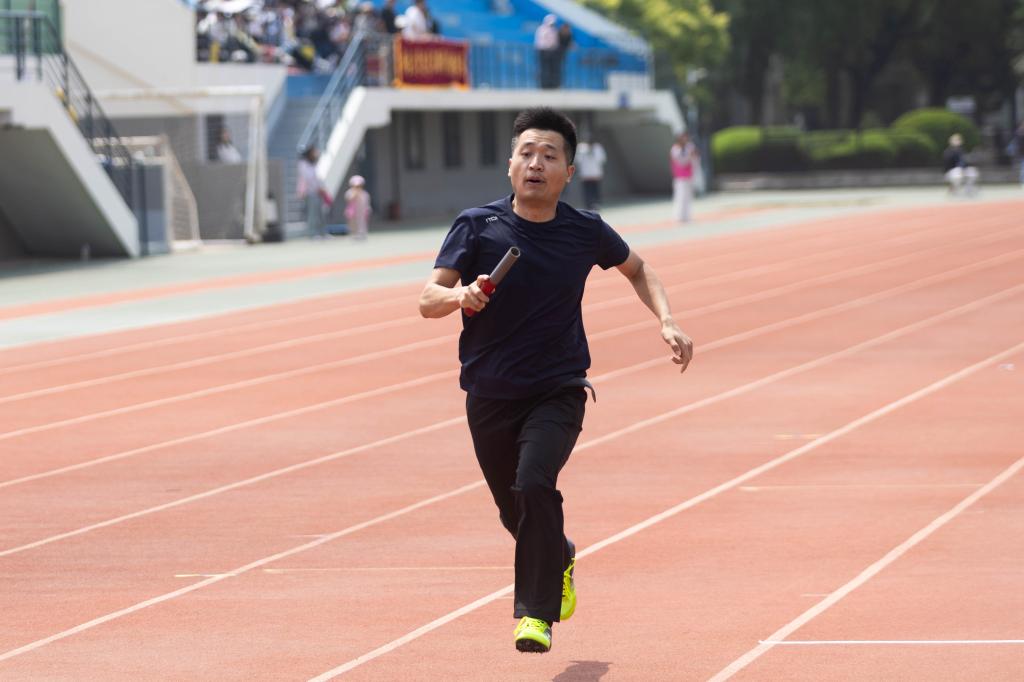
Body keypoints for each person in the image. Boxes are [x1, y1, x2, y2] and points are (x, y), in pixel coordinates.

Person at [418, 108, 693, 654]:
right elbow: (428, 300)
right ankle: (560, 554)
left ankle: (534, 615)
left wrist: (666, 319)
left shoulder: (584, 230)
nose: (536, 164)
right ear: (510, 165)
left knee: (534, 485)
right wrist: (459, 295)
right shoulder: (477, 225)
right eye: (526, 153)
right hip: (489, 393)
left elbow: (639, 269)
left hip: (558, 388)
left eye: (549, 155)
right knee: (515, 512)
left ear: (569, 171)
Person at [296, 145, 332, 238]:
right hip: (310, 192)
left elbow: (317, 178)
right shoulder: (303, 164)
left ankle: (322, 233)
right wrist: (316, 188)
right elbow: (308, 178)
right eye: (314, 152)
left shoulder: (313, 164)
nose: (316, 153)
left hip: (318, 192)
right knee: (313, 214)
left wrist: (322, 188)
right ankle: (313, 233)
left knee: (320, 213)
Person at [670, 132, 699, 223]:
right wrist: (689, 156)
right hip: (679, 176)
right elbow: (681, 162)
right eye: (682, 137)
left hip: (689, 175)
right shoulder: (675, 149)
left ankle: (687, 216)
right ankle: (679, 216)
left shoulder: (689, 147)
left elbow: (695, 160)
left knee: (688, 196)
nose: (685, 139)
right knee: (680, 196)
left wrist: (693, 155)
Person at [574, 137, 606, 210]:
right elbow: (577, 160)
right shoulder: (581, 148)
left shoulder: (597, 148)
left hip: (595, 173)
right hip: (585, 174)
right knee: (587, 191)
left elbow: (602, 159)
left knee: (595, 190)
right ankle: (588, 205)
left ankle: (597, 204)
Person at [534, 14, 559, 89]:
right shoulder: (542, 29)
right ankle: (544, 84)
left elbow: (555, 41)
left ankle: (552, 84)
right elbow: (541, 41)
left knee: (552, 68)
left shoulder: (554, 30)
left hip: (552, 51)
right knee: (544, 68)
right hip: (543, 50)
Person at [344, 175, 372, 240]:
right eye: (356, 186)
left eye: (359, 186)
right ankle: (354, 234)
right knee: (353, 223)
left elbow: (367, 203)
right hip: (352, 212)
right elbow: (349, 199)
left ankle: (362, 234)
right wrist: (355, 193)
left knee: (362, 222)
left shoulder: (365, 193)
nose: (358, 187)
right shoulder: (349, 192)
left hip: (362, 211)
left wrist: (368, 209)